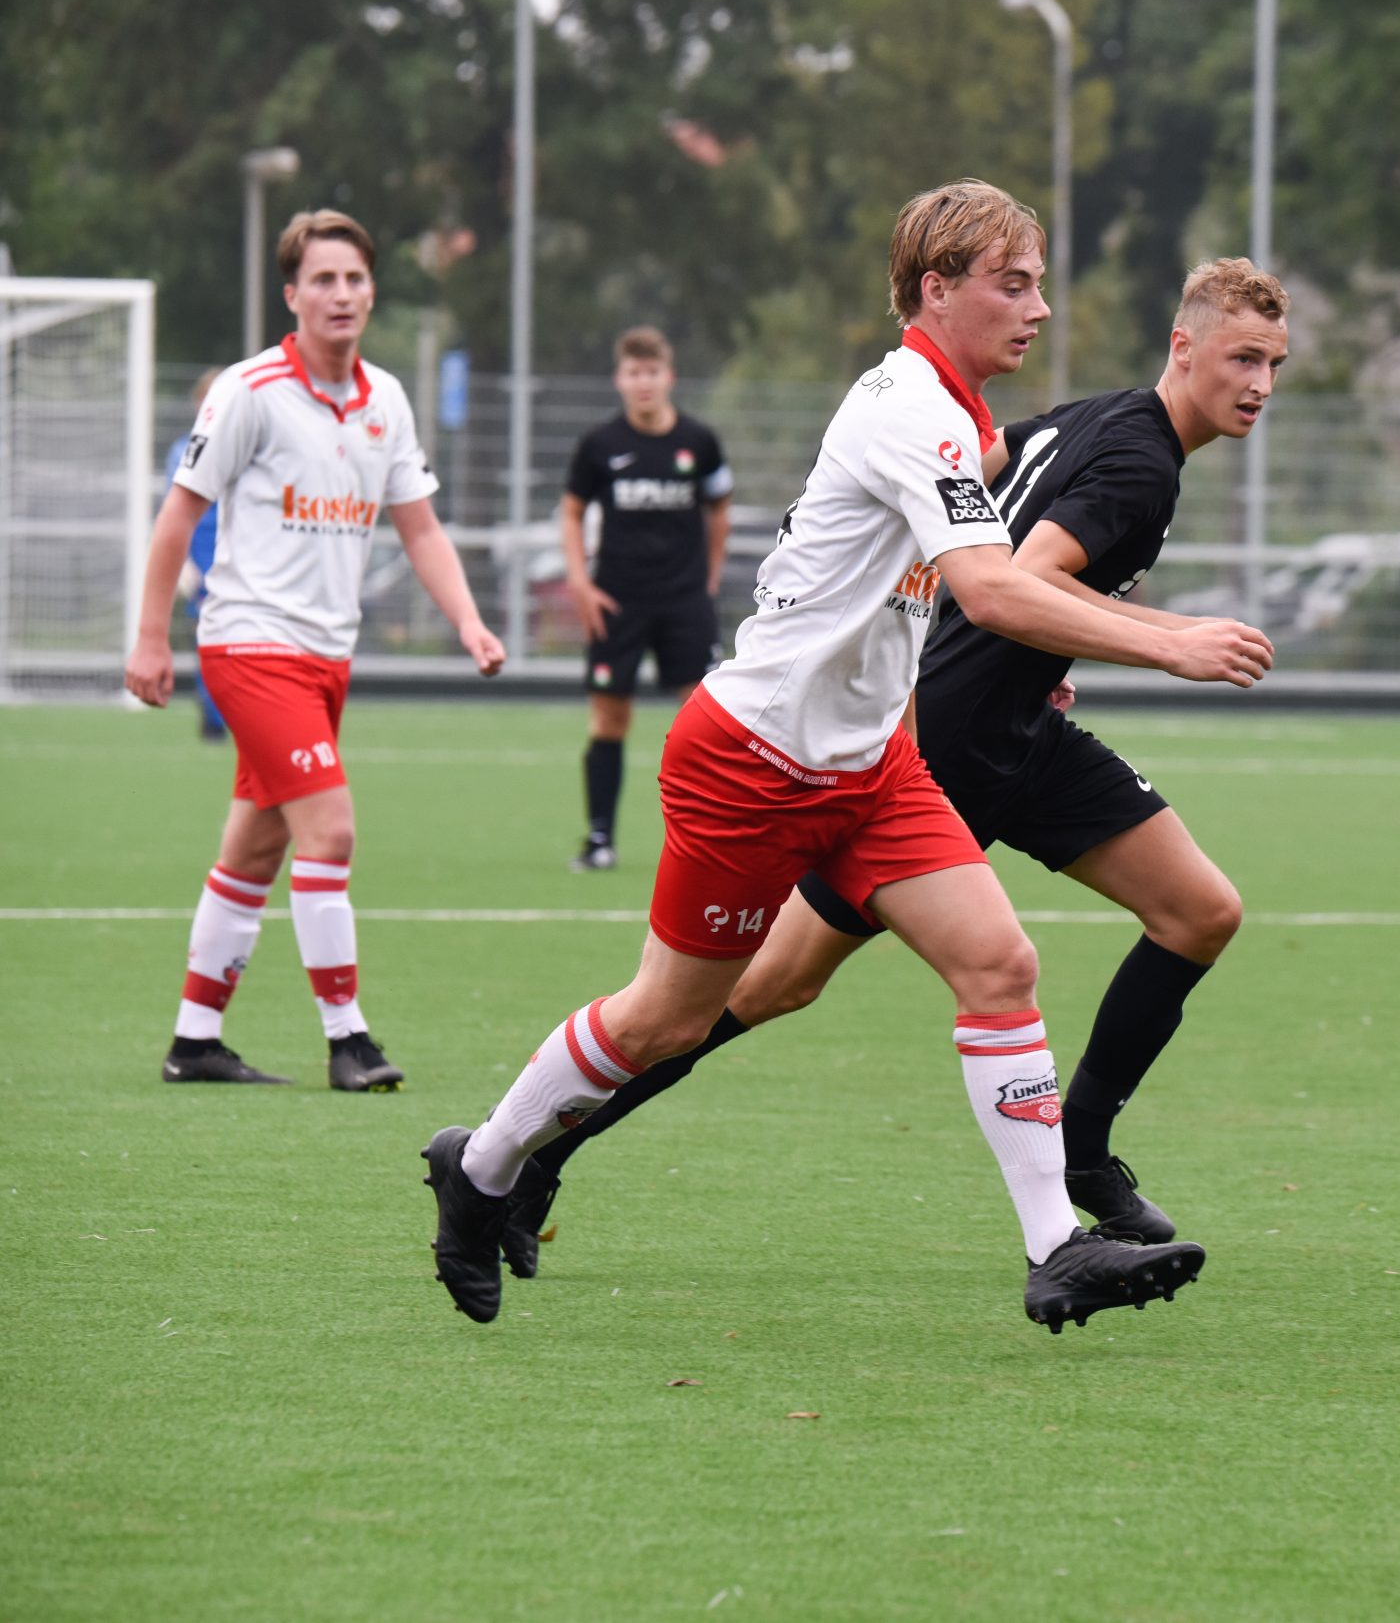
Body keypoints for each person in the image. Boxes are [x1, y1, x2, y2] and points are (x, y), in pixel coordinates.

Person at [420, 181, 1275, 1332]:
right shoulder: (911, 411)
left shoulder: (963, 416)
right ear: (936, 289)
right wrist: (1170, 642)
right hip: (755, 756)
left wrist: (1051, 652)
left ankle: (1056, 1247)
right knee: (669, 1017)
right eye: (1013, 284)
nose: (1039, 308)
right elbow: (993, 589)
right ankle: (482, 1165)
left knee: (999, 963)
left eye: (1037, 284)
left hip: (873, 762)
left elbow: (984, 549)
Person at [125, 209, 507, 1090]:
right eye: (323, 280)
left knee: (255, 849)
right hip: (250, 646)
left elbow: (420, 528)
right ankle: (349, 1040)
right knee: (329, 829)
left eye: (355, 279)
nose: (341, 294)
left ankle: (194, 1040)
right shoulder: (250, 390)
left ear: (372, 292)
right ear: (292, 295)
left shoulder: (387, 401)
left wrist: (468, 620)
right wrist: (149, 637)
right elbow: (179, 513)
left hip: (327, 659)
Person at [561, 327, 733, 871]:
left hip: (684, 602)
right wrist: (580, 582)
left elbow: (720, 510)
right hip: (618, 604)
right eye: (634, 373)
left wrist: (708, 580)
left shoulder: (699, 442)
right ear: (620, 379)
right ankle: (599, 840)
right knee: (609, 719)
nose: (644, 383)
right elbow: (571, 511)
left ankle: (708, 841)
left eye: (652, 372)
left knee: (702, 719)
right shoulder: (600, 445)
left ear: (669, 377)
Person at [160, 368, 228, 741]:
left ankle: (235, 713)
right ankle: (213, 717)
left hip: (243, 556)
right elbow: (174, 510)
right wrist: (183, 561)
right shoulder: (183, 451)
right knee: (208, 637)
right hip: (203, 557)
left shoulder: (249, 446)